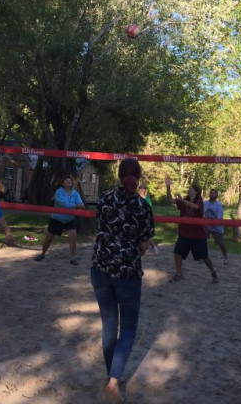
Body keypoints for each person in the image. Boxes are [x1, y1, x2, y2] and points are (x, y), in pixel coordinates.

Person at [91, 158, 155, 403]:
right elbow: (143, 244)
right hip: (126, 272)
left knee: (109, 326)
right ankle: (115, 381)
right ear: (138, 178)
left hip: (100, 267)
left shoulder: (105, 198)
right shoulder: (142, 206)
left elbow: (101, 227)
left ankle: (111, 376)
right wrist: (139, 249)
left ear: (119, 175)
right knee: (128, 328)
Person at [165, 175, 218, 283]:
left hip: (198, 235)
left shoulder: (199, 201)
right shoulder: (185, 200)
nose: (188, 190)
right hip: (185, 233)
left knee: (204, 257)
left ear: (196, 192)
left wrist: (182, 201)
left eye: (190, 189)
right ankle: (179, 274)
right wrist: (168, 186)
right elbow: (170, 200)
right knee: (177, 253)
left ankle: (213, 272)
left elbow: (195, 207)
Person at [35, 174, 85, 264]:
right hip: (57, 218)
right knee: (49, 238)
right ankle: (42, 253)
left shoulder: (75, 193)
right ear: (63, 183)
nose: (68, 182)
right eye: (66, 181)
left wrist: (79, 205)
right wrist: (76, 206)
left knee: (73, 237)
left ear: (72, 183)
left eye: (69, 181)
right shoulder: (59, 192)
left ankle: (73, 258)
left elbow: (82, 205)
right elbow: (64, 205)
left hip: (70, 219)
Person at [204, 189, 228, 264]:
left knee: (221, 243)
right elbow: (201, 213)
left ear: (217, 196)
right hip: (206, 226)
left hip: (217, 227)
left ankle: (225, 257)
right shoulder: (205, 203)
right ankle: (204, 256)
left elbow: (218, 218)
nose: (212, 194)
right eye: (211, 193)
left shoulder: (219, 205)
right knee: (202, 240)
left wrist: (209, 221)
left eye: (214, 193)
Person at [137, 184, 159, 253]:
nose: (141, 191)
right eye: (140, 190)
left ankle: (153, 246)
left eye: (143, 190)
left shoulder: (147, 199)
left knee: (146, 235)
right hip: (138, 218)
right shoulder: (136, 197)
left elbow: (148, 209)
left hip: (145, 219)